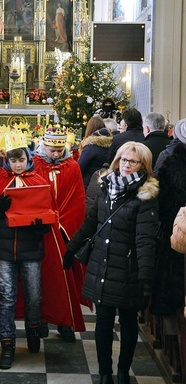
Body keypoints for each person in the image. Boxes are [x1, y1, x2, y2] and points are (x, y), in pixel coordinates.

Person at [0, 131, 85, 368]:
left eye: (21, 160)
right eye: (13, 160)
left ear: (28, 159)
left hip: (32, 252)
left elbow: (48, 214)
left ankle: (33, 328)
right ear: (7, 160)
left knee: (34, 296)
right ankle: (7, 344)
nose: (17, 165)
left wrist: (40, 228)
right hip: (4, 251)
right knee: (6, 298)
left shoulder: (38, 181)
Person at [63, 141, 159, 384]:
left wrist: (146, 279)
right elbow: (91, 221)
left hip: (128, 269)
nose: (127, 165)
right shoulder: (107, 186)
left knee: (127, 323)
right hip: (101, 265)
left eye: (133, 161)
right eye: (124, 160)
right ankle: (105, 372)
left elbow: (145, 240)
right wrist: (70, 249)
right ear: (117, 160)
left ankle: (123, 371)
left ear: (143, 165)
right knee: (103, 323)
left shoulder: (145, 196)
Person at [33, 126, 86, 342]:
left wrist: (63, 225)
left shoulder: (72, 166)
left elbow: (77, 199)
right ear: (44, 146)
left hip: (64, 232)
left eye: (59, 150)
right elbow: (32, 194)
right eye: (51, 150)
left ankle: (66, 321)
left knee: (66, 278)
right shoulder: (34, 165)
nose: (55, 154)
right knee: (41, 279)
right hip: (42, 231)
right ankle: (42, 319)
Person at [150, 120, 186, 329]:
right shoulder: (172, 163)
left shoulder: (171, 162)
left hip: (174, 232)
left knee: (173, 290)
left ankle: (174, 339)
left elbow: (159, 199)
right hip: (174, 233)